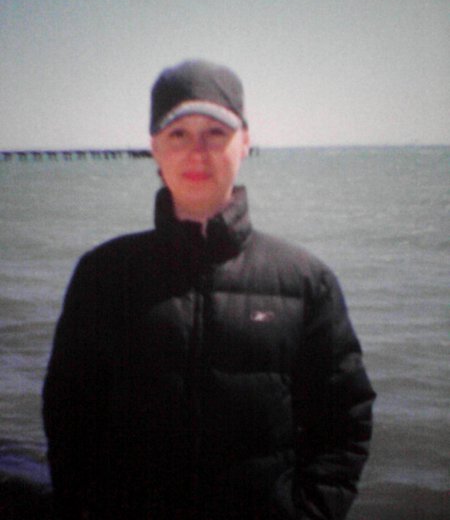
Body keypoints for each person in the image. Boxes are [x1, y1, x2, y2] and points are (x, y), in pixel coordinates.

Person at [43, 59, 376, 520]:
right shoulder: (103, 275)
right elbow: (69, 418)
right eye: (178, 134)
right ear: (154, 148)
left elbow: (344, 422)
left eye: (215, 133)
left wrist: (309, 512)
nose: (197, 152)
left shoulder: (306, 281)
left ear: (245, 142)